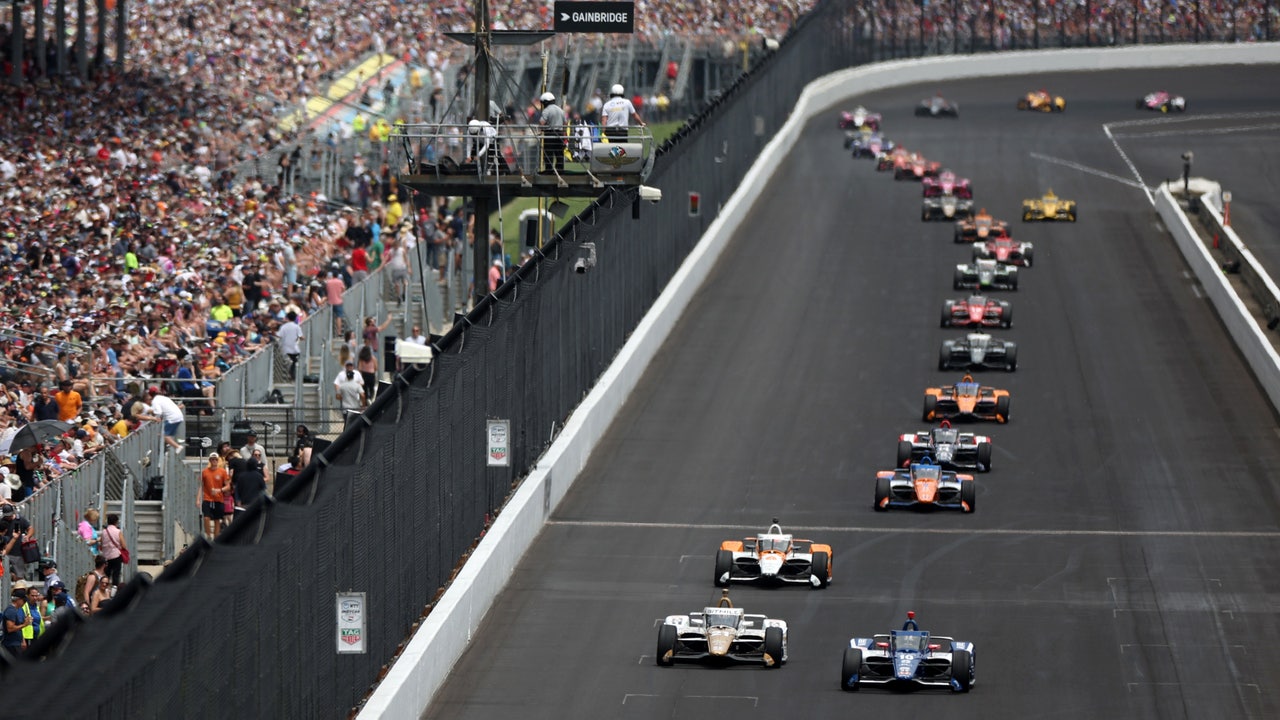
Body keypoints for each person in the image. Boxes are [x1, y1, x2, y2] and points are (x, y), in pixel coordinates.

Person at [138, 386, 185, 451]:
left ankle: (177, 446)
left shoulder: (155, 401)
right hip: (178, 416)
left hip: (172, 418)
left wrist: (155, 418)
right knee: (163, 434)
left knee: (164, 435)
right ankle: (169, 445)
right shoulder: (164, 398)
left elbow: (158, 412)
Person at [200, 454, 230, 540]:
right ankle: (208, 536)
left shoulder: (222, 471)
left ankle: (215, 538)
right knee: (206, 517)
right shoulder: (205, 472)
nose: (214, 461)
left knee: (217, 519)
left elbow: (228, 486)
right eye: (212, 459)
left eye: (216, 459)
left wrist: (219, 490)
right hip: (207, 498)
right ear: (210, 460)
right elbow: (201, 485)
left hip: (218, 498)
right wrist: (198, 498)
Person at [538, 92, 567, 173]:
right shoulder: (561, 110)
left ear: (545, 102)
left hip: (550, 134)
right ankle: (560, 169)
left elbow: (542, 123)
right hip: (560, 134)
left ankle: (549, 170)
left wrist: (541, 129)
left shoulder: (546, 110)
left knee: (548, 153)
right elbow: (565, 123)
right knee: (559, 153)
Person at [100, 513, 129, 586]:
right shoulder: (118, 531)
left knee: (106, 574)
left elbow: (101, 543)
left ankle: (105, 590)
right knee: (116, 575)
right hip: (116, 555)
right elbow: (124, 545)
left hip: (106, 556)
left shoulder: (104, 532)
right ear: (116, 522)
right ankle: (114, 592)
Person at [277, 311, 304, 381]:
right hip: (295, 349)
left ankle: (288, 376)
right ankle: (292, 376)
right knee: (294, 363)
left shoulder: (283, 327)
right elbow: (301, 337)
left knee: (287, 363)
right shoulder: (296, 326)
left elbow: (279, 335)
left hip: (286, 349)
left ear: (287, 317)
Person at [3, 587, 30, 655]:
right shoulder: (11, 611)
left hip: (16, 644)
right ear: (18, 600)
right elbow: (10, 628)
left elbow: (18, 629)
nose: (24, 603)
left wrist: (22, 640)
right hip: (11, 645)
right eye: (24, 600)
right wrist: (24, 624)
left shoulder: (15, 610)